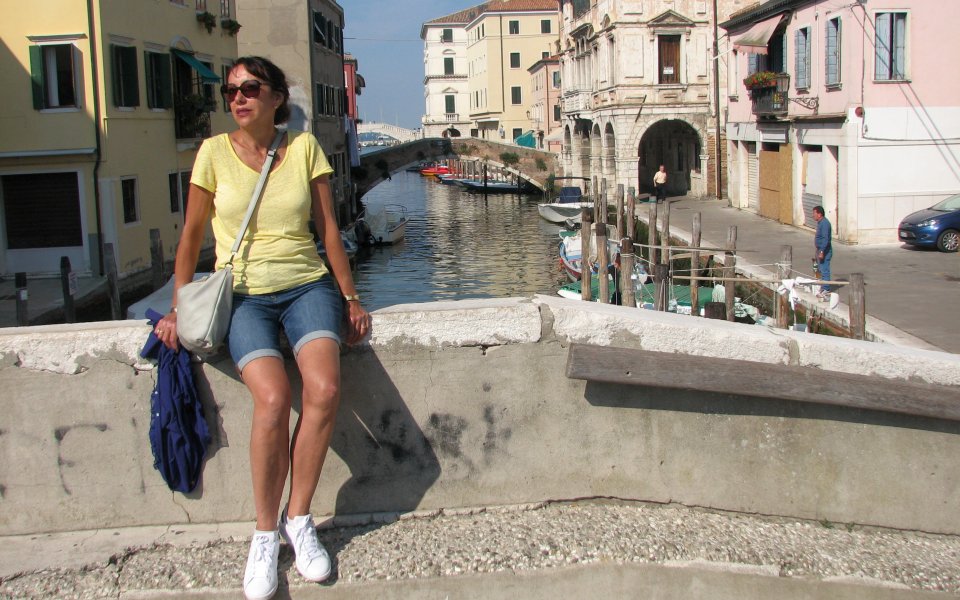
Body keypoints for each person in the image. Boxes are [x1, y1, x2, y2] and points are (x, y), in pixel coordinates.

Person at [152, 56, 371, 600]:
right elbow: (190, 239)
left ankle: (299, 519)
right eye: (230, 91)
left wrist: (348, 296)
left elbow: (327, 228)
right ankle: (264, 534)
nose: (238, 98)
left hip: (307, 288)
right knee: (272, 399)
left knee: (322, 389)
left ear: (276, 97)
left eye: (250, 88)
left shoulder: (303, 149)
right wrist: (178, 308)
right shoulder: (211, 155)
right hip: (244, 298)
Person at [813, 205, 833, 299]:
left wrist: (821, 251)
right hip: (820, 250)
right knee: (821, 269)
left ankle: (826, 289)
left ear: (819, 214)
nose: (813, 215)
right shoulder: (820, 223)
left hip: (824, 251)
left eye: (814, 213)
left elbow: (826, 239)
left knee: (825, 269)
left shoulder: (824, 224)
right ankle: (823, 287)